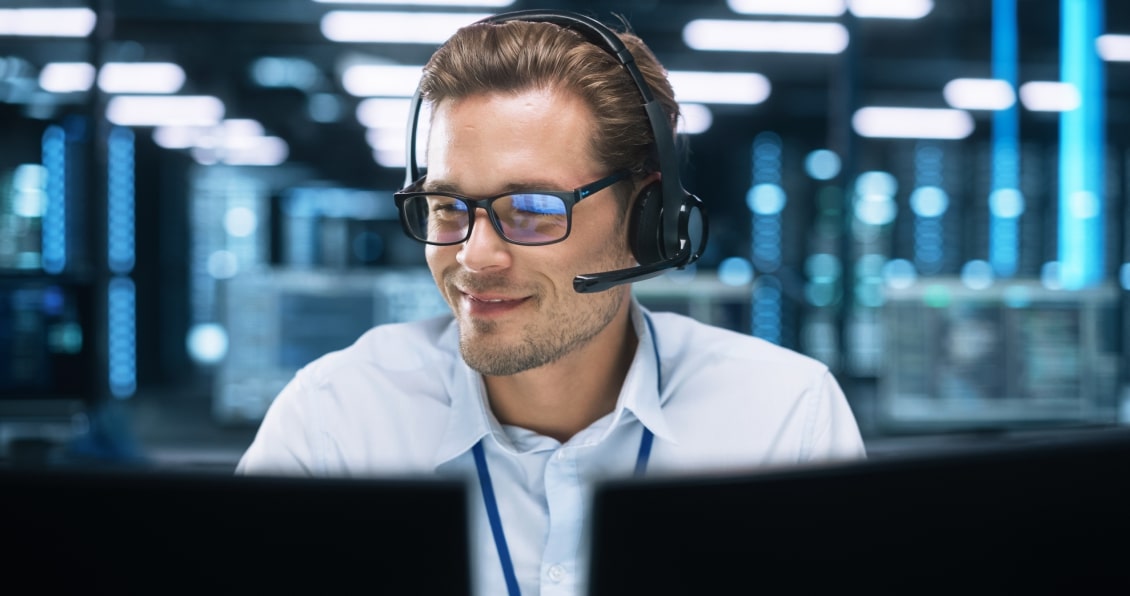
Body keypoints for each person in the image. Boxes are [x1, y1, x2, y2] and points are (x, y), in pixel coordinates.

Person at [237, 9, 865, 596]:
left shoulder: (783, 421)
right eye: (449, 207)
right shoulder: (335, 422)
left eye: (533, 209)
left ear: (648, 220)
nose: (474, 257)